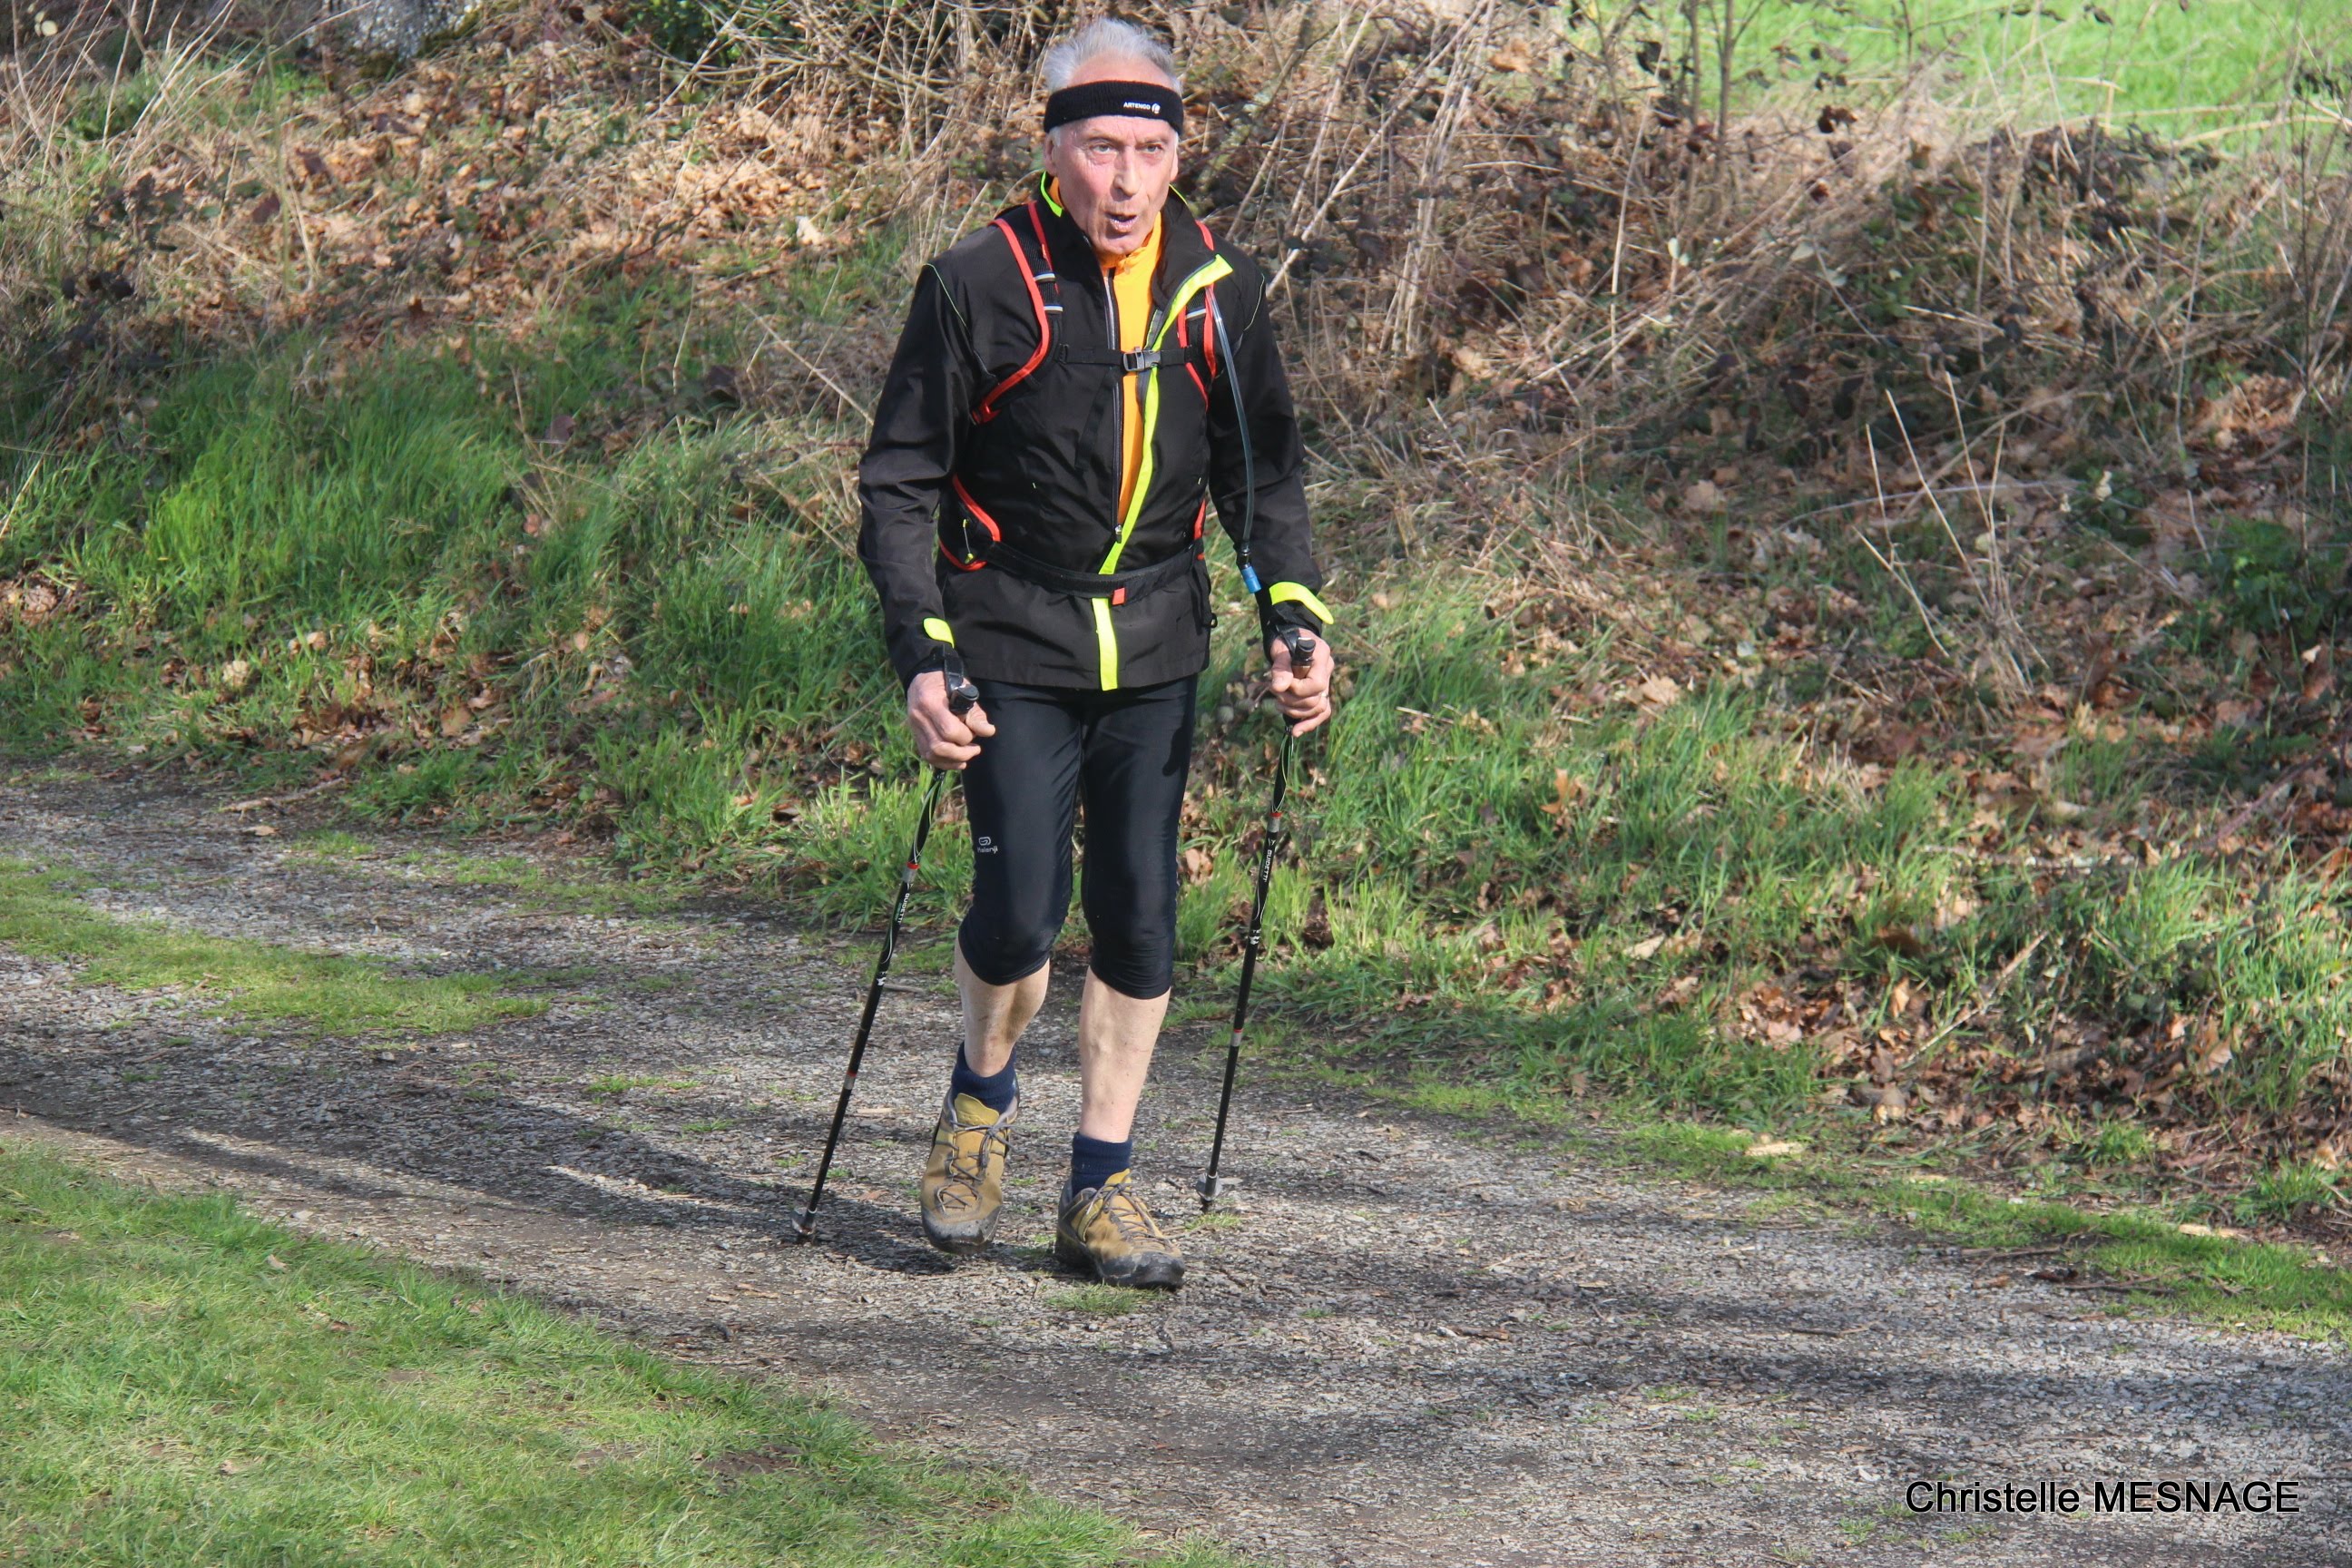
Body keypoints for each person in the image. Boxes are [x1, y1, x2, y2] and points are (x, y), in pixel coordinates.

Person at [856, 17, 1335, 1289]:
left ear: (1180, 154)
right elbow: (900, 484)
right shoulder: (978, 281)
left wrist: (1294, 615)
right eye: (1101, 149)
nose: (1127, 181)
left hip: (1159, 638)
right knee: (1019, 913)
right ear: (1053, 148)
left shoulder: (1218, 292)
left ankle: (1099, 1186)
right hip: (1010, 631)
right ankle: (978, 1104)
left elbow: (1263, 475)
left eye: (1151, 150)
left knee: (1140, 916)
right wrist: (922, 651)